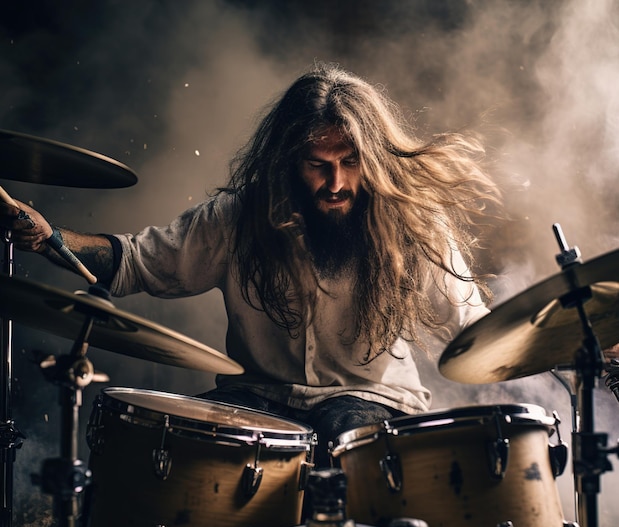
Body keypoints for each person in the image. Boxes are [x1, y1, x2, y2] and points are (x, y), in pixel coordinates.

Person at [0, 62, 500, 468]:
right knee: (163, 446)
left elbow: (473, 326)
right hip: (259, 398)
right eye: (317, 163)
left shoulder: (414, 224)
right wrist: (48, 238)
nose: (336, 182)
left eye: (351, 162)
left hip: (372, 401)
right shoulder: (236, 218)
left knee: (346, 438)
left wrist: (551, 335)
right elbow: (134, 262)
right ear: (287, 161)